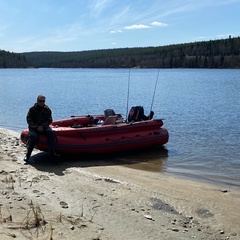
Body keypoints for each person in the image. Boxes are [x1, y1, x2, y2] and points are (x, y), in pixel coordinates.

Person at [24, 95, 57, 163]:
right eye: (40, 101)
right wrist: (36, 127)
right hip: (34, 128)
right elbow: (29, 120)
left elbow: (49, 120)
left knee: (51, 134)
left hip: (44, 127)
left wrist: (43, 126)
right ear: (37, 101)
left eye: (43, 101)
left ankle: (52, 154)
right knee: (33, 137)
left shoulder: (47, 110)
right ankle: (28, 155)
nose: (41, 103)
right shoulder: (32, 109)